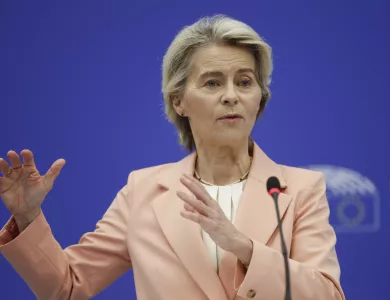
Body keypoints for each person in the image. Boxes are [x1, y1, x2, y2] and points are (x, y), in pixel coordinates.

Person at [0, 14, 345, 300]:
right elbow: (67, 287)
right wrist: (29, 217)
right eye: (212, 83)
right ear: (179, 100)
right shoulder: (144, 191)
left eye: (244, 81)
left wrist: (245, 247)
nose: (231, 96)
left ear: (260, 97)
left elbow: (329, 295)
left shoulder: (300, 189)